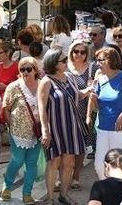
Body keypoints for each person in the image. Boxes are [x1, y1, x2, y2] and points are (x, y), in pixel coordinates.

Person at [38, 49, 89, 205]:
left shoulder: (69, 77)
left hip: (72, 127)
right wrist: (45, 131)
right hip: (55, 128)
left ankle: (64, 195)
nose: (67, 61)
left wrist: (87, 91)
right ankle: (50, 198)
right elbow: (41, 107)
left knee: (69, 163)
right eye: (63, 60)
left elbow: (76, 95)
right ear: (53, 63)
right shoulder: (46, 82)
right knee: (54, 162)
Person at [87, 47, 122, 180]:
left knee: (118, 166)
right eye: (96, 60)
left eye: (100, 60)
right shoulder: (100, 79)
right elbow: (98, 107)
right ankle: (107, 191)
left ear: (110, 60)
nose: (97, 63)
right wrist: (94, 101)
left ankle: (117, 195)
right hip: (103, 128)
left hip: (121, 129)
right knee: (99, 165)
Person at [1, 57, 41, 205]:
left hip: (37, 132)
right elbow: (6, 107)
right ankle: (7, 185)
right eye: (22, 69)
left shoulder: (42, 85)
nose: (25, 72)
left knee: (32, 163)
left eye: (28, 69)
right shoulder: (13, 87)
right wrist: (10, 125)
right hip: (18, 131)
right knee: (17, 160)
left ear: (35, 70)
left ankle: (27, 193)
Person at [66, 40, 99, 189]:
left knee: (80, 148)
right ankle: (64, 176)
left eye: (82, 52)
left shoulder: (92, 68)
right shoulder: (64, 68)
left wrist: (84, 93)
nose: (79, 54)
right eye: (76, 51)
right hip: (66, 113)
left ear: (87, 54)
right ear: (71, 52)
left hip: (85, 112)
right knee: (67, 147)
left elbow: (94, 90)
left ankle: (75, 177)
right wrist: (85, 91)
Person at [0, 42, 19, 124]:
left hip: (10, 106)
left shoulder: (16, 67)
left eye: (0, 53)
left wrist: (6, 87)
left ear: (8, 53)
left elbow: (21, 87)